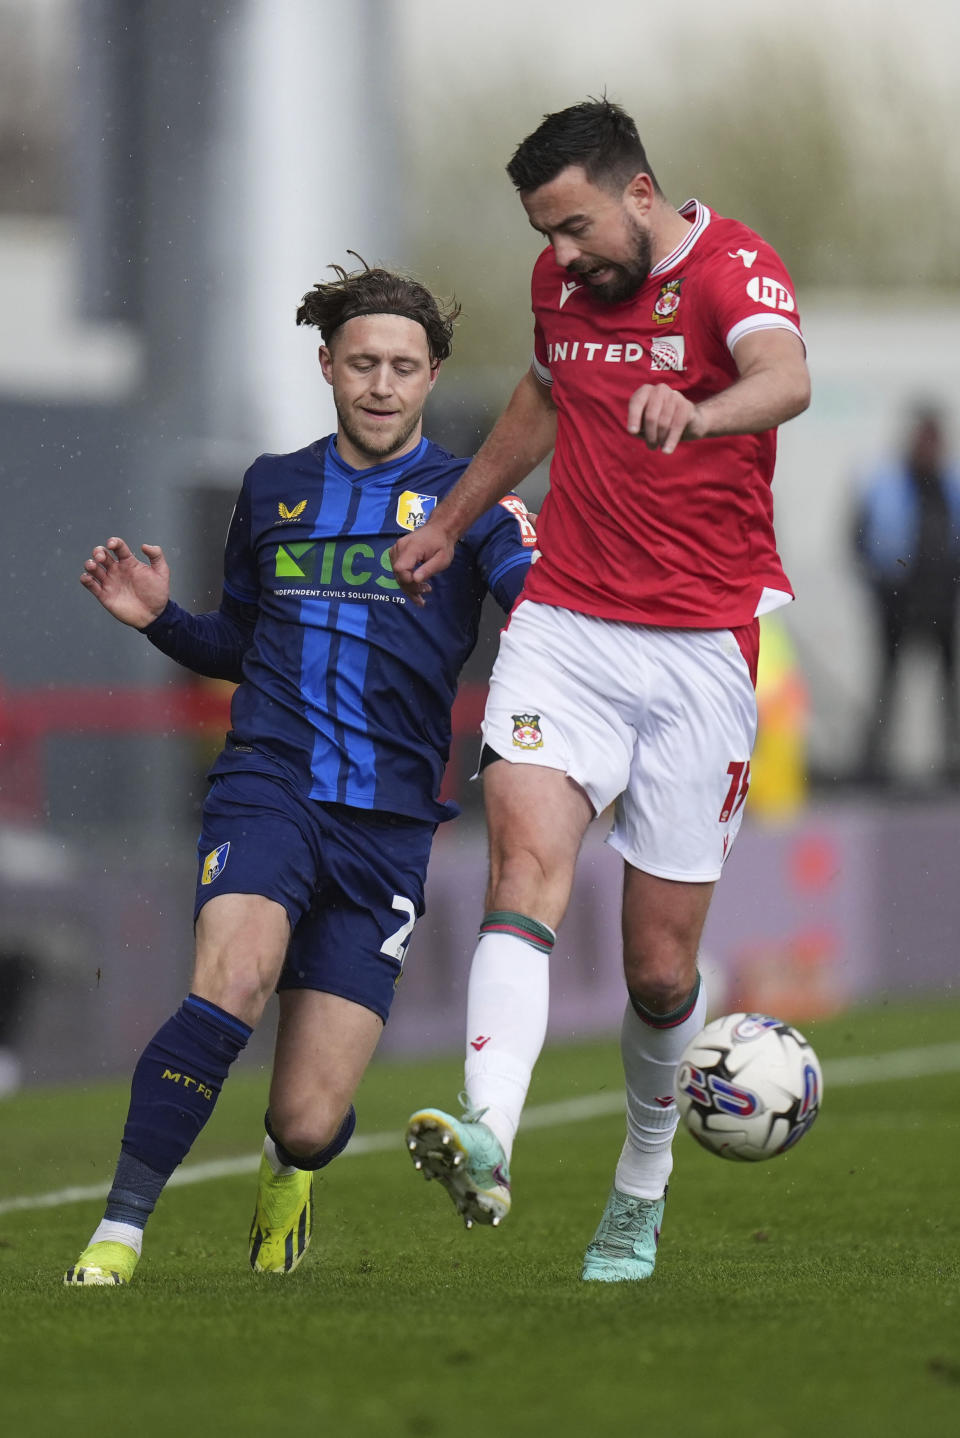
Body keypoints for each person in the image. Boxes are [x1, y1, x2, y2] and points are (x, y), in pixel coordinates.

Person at [390, 99, 810, 1282]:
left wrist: (703, 407)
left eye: (574, 226)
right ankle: (489, 1130)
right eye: (546, 233)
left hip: (698, 651)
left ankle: (641, 1185)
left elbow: (786, 379)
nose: (562, 255)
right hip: (565, 623)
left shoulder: (733, 271)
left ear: (637, 193)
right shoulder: (558, 286)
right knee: (524, 867)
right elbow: (538, 400)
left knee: (659, 972)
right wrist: (454, 522)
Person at [64, 261, 537, 1286]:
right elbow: (242, 640)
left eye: (403, 367)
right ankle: (119, 1234)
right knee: (232, 981)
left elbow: (541, 617)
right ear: (326, 364)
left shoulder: (475, 502)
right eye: (361, 362)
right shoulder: (273, 486)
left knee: (311, 1117)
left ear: (432, 374)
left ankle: (292, 1170)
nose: (380, 384)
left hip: (390, 828)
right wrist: (161, 620)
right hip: (268, 786)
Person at [851, 403, 960, 783]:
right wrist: (877, 587)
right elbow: (858, 538)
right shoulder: (885, 484)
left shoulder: (951, 485)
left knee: (948, 687)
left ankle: (950, 764)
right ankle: (875, 765)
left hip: (944, 604)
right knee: (887, 686)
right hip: (897, 603)